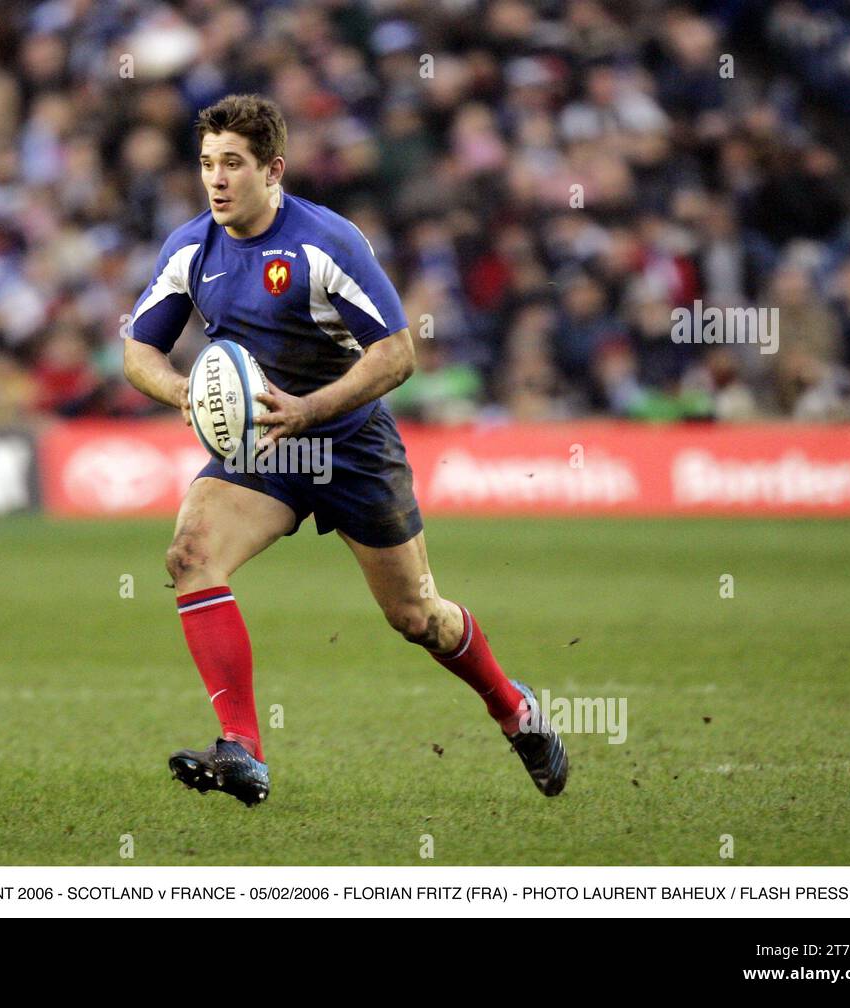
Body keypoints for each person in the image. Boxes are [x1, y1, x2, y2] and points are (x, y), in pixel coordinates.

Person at [123, 94, 568, 806]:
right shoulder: (190, 247)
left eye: (232, 164)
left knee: (417, 617)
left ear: (274, 170)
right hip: (263, 448)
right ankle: (243, 748)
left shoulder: (326, 243)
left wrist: (311, 408)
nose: (215, 179)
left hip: (350, 445)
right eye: (206, 163)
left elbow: (395, 355)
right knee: (191, 556)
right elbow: (138, 349)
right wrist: (180, 392)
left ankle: (514, 709)